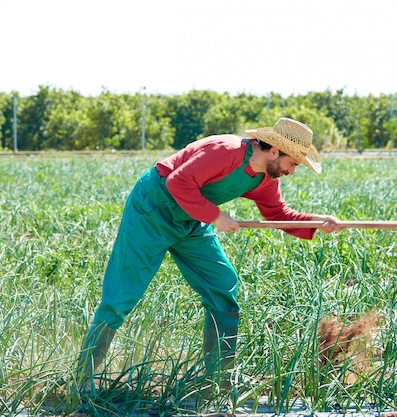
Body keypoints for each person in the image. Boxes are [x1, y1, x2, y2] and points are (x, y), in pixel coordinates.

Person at [77, 117, 341, 398]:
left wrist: (316, 221)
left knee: (222, 285)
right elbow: (178, 183)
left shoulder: (265, 179)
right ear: (274, 150)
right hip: (153, 209)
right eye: (294, 162)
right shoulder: (224, 151)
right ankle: (82, 381)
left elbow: (278, 214)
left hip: (191, 219)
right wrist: (215, 216)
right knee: (122, 294)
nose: (292, 170)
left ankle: (219, 382)